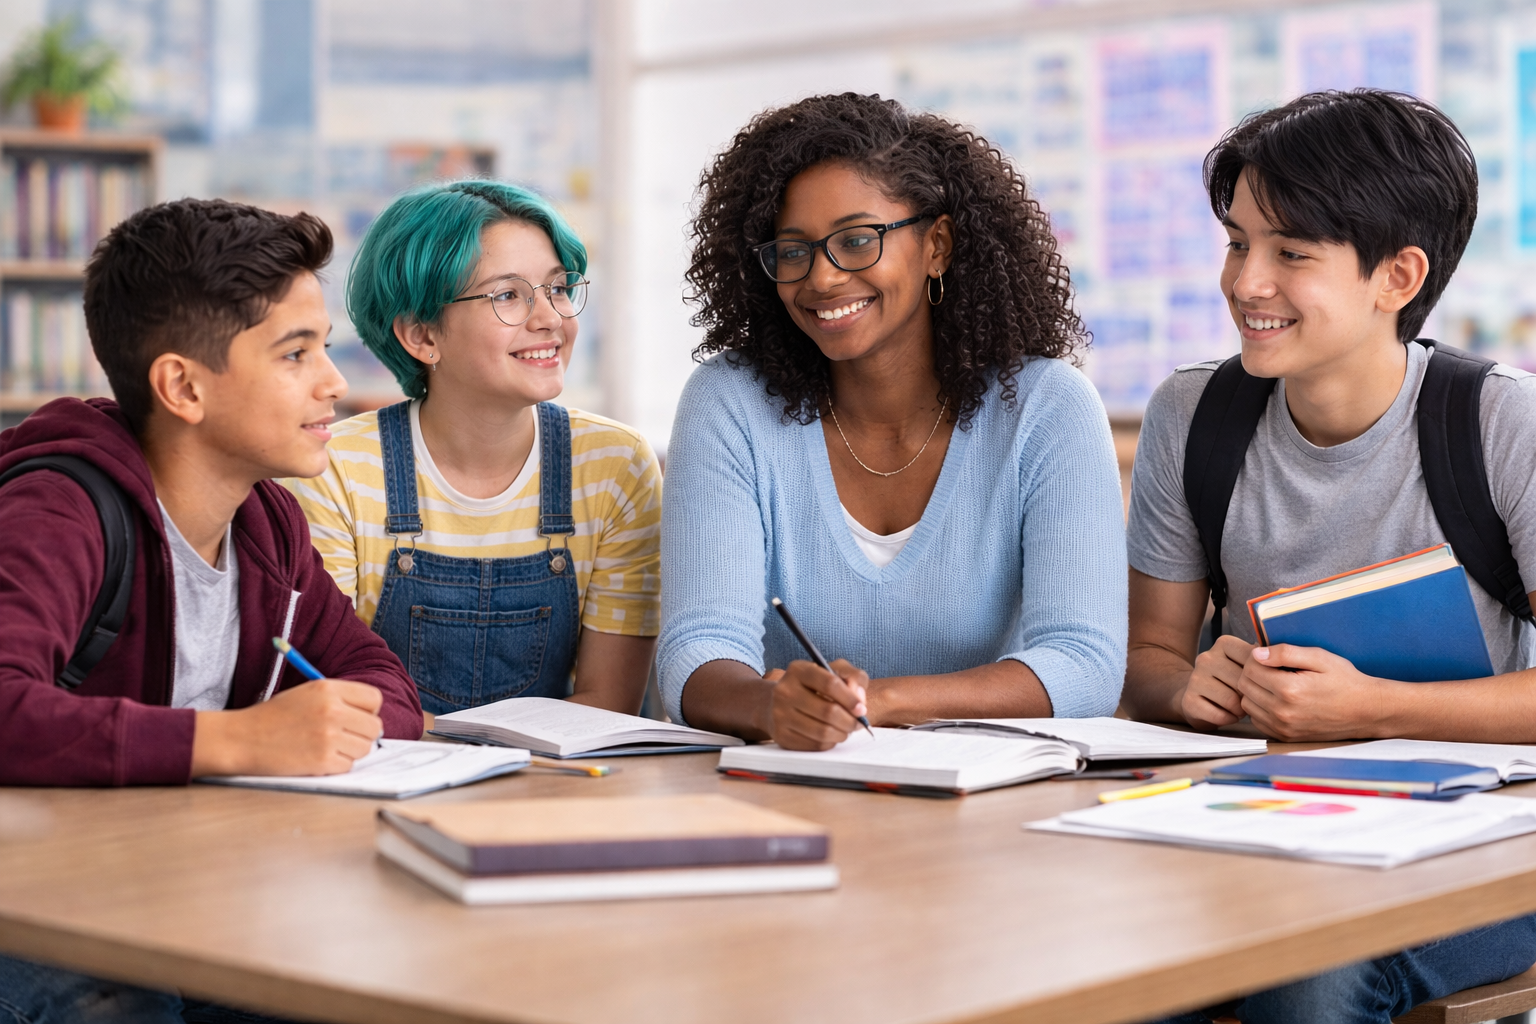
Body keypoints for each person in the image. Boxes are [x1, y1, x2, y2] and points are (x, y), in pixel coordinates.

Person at [1120, 89, 1536, 1024]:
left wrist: (1372, 709)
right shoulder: (1194, 417)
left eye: (1290, 253)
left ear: (1398, 276)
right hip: (1266, 825)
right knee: (1113, 961)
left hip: (1482, 850)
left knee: (1307, 974)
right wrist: (1188, 687)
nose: (1244, 282)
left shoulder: (1502, 422)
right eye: (1236, 242)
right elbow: (1145, 664)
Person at [0, 198, 423, 1020]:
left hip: (178, 882)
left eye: (323, 348)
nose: (334, 383)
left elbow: (381, 680)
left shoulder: (266, 521)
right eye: (295, 354)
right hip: (37, 897)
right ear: (183, 386)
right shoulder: (60, 509)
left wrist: (332, 727)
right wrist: (236, 741)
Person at [657, 92, 1127, 749]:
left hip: (994, 803)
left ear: (936, 245)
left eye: (856, 240)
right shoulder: (729, 404)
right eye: (793, 252)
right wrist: (771, 707)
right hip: (788, 787)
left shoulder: (1047, 409)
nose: (820, 278)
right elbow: (694, 649)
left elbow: (1085, 666)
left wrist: (878, 701)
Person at [286, 180, 660, 716]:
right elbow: (336, 703)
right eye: (508, 294)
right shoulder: (334, 469)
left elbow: (609, 705)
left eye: (558, 287)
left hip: (562, 785)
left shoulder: (616, 465)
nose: (550, 318)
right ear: (422, 337)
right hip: (388, 777)